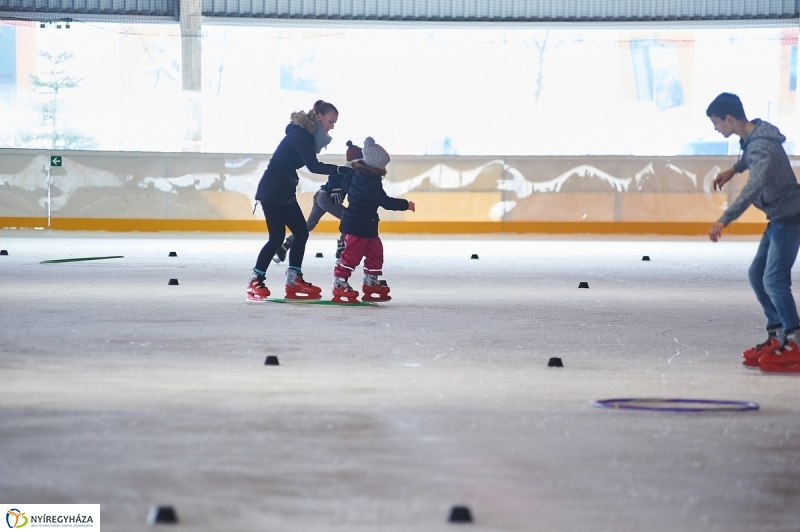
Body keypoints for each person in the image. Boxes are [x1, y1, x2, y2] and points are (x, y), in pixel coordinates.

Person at [706, 92, 800, 372]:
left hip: (789, 217)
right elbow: (750, 158)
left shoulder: (760, 145)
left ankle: (794, 340)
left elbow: (753, 187)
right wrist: (734, 170)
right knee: (757, 275)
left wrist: (725, 219)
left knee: (773, 280)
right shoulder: (754, 137)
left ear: (729, 118)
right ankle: (777, 333)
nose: (715, 128)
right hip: (779, 217)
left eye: (716, 123)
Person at [247, 100, 351, 302]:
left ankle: (293, 280)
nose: (332, 127)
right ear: (319, 117)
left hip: (284, 190)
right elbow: (313, 166)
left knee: (301, 232)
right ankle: (255, 280)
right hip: (272, 190)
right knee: (276, 238)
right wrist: (340, 170)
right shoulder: (301, 134)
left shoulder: (307, 136)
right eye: (330, 121)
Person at [331, 137, 415, 303]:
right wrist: (406, 204)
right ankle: (339, 283)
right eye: (384, 164)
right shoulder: (368, 182)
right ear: (375, 165)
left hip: (367, 226)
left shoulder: (360, 176)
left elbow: (346, 183)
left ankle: (371, 282)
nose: (385, 167)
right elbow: (384, 201)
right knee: (351, 256)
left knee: (376, 252)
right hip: (356, 226)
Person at [272, 141, 363, 265]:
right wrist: (336, 189)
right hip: (326, 197)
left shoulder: (350, 168)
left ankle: (285, 245)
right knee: (348, 218)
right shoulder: (349, 169)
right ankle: (342, 247)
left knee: (309, 224)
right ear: (357, 158)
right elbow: (333, 178)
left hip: (320, 195)